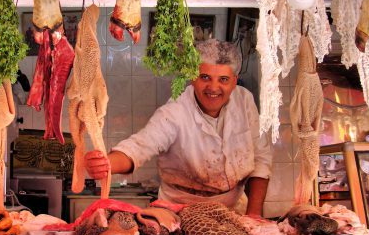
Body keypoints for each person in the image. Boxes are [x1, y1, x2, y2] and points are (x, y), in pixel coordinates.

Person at [84, 39, 272, 216]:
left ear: (234, 81)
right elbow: (141, 145)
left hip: (233, 210)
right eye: (205, 77)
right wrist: (107, 164)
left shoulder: (244, 100)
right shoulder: (175, 111)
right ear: (192, 78)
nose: (213, 88)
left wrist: (254, 215)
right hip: (178, 212)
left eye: (223, 79)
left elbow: (261, 159)